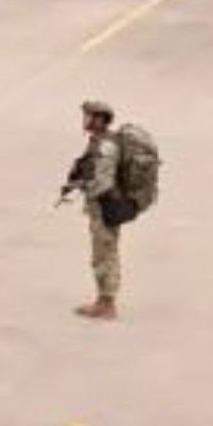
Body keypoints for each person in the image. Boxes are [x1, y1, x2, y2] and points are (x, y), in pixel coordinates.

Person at [61, 100, 127, 321]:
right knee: (103, 252)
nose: (85, 119)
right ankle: (103, 300)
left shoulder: (106, 146)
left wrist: (82, 185)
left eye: (88, 116)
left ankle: (106, 304)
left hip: (105, 207)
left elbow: (103, 182)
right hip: (102, 206)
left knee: (104, 253)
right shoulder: (98, 142)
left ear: (99, 120)